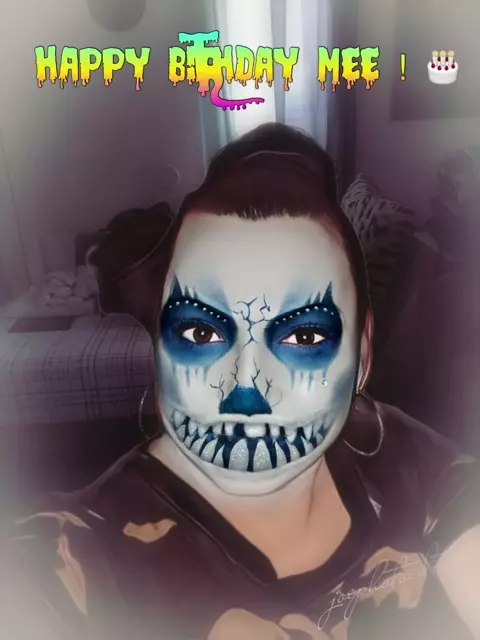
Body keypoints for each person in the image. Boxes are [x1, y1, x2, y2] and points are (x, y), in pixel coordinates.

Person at [2, 123, 480, 640]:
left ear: (362, 353)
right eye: (202, 332)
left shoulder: (391, 444)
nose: (246, 394)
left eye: (302, 337)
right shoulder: (79, 555)